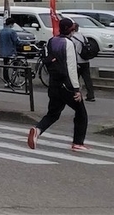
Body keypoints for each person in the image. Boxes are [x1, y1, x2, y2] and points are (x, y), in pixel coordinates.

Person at [28, 17, 88, 151]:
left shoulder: (52, 41)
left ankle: (37, 130)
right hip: (67, 85)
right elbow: (71, 67)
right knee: (81, 113)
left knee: (53, 113)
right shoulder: (68, 43)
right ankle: (78, 143)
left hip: (54, 83)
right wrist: (76, 89)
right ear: (70, 30)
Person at [67, 23, 97, 102]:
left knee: (74, 79)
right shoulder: (83, 37)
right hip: (85, 60)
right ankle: (91, 95)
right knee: (87, 79)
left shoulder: (72, 38)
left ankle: (73, 94)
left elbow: (73, 51)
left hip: (77, 61)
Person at [0, 16, 20, 87]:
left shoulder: (1, 31)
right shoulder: (12, 31)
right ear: (11, 24)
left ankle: (6, 81)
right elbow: (17, 41)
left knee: (6, 67)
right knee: (15, 66)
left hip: (3, 52)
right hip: (11, 52)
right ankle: (13, 81)